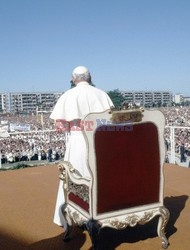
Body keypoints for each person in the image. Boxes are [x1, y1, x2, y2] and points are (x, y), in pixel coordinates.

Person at [50, 66, 114, 226]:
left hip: (77, 143)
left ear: (73, 79)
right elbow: (110, 121)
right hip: (99, 142)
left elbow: (61, 126)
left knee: (73, 180)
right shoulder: (102, 94)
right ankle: (105, 214)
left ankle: (75, 215)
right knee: (101, 177)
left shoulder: (67, 96)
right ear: (90, 77)